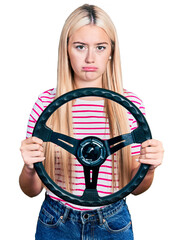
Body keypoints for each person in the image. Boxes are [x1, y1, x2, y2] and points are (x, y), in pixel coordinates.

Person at [19, 4, 164, 240]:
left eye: (99, 47)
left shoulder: (130, 105)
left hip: (113, 222)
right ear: (66, 49)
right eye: (80, 47)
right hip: (56, 222)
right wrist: (28, 167)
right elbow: (31, 190)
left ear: (111, 52)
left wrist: (149, 167)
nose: (89, 57)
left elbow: (136, 188)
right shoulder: (46, 103)